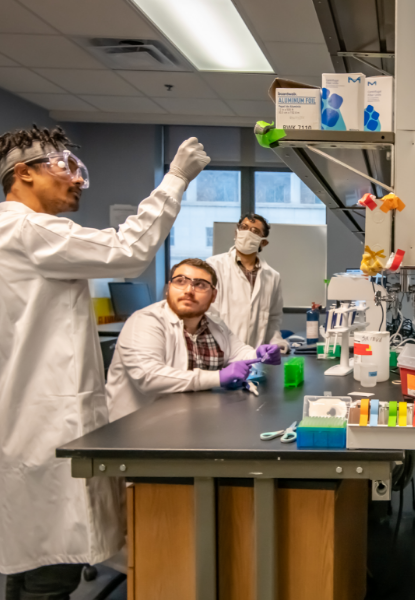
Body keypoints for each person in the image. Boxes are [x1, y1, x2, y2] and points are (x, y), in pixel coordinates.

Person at [0, 125, 209, 598]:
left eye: (80, 171)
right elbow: (128, 250)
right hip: (43, 426)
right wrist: (175, 178)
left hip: (24, 422)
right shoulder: (27, 228)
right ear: (23, 174)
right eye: (64, 168)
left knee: (29, 561)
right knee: (50, 570)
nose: (75, 180)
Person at [106, 259, 282, 422]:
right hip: (139, 429)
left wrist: (259, 354)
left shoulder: (214, 324)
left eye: (200, 285)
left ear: (213, 296)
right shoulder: (145, 321)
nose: (188, 290)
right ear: (168, 288)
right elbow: (148, 377)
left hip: (190, 420)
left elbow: (239, 352)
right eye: (180, 281)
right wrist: (218, 377)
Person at [206, 213, 288, 353]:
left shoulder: (272, 276)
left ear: (263, 242)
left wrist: (276, 342)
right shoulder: (213, 266)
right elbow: (207, 313)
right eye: (244, 227)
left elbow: (273, 319)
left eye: (255, 231)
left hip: (255, 357)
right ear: (236, 232)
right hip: (220, 353)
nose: (247, 233)